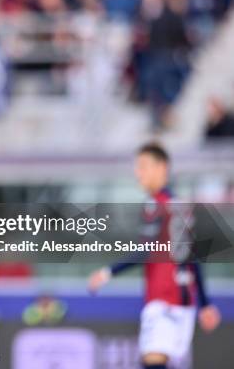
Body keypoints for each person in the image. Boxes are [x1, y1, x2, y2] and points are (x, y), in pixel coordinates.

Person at [88, 143, 221, 369]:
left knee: (153, 363)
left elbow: (147, 251)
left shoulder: (156, 205)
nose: (138, 173)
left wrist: (107, 272)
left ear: (162, 168)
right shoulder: (178, 205)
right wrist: (205, 303)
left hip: (162, 299)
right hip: (183, 302)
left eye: (143, 166)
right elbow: (192, 256)